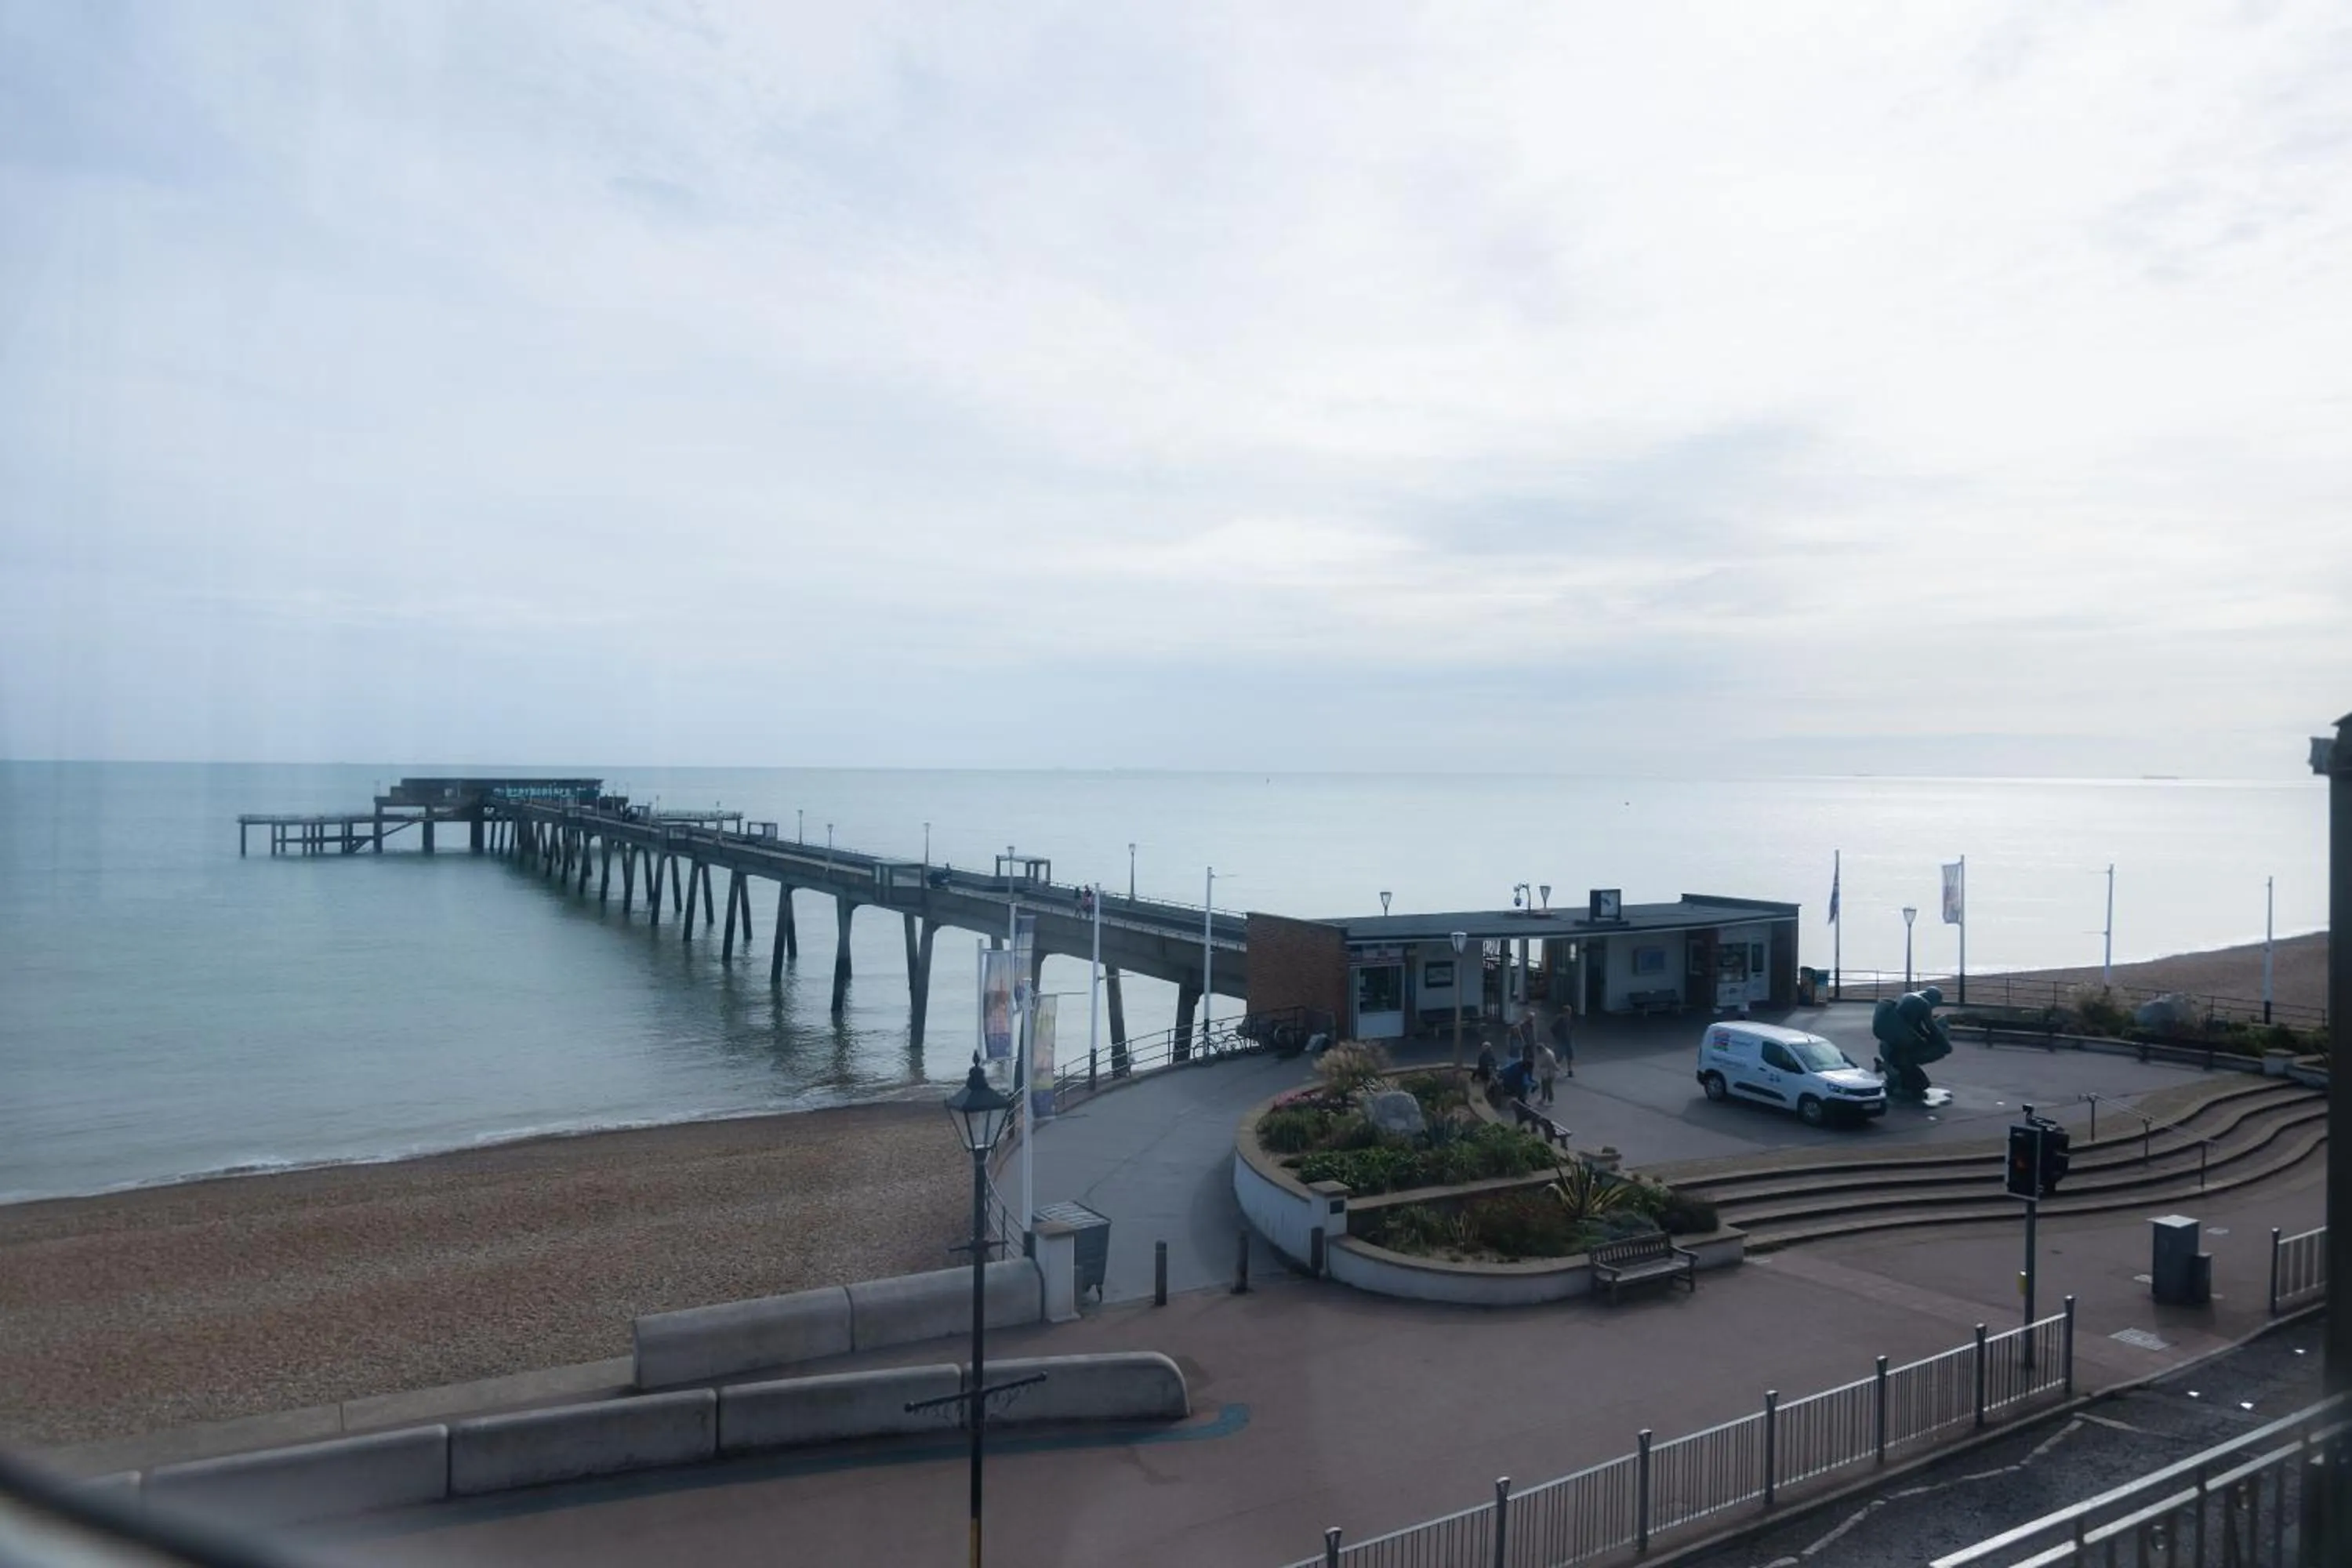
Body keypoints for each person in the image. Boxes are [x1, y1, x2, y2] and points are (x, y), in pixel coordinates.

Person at [1549, 1005, 1577, 1077]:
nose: (1570, 1013)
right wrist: (1557, 1037)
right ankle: (1554, 1070)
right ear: (1565, 1012)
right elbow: (1552, 1029)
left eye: (1570, 1011)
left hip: (1568, 1040)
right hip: (1561, 1041)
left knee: (1569, 1056)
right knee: (1558, 1057)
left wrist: (1570, 1035)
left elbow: (1572, 1028)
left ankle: (1570, 1070)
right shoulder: (1559, 1020)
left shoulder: (1569, 1019)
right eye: (1569, 1011)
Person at [1534, 1040, 1559, 1105]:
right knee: (1544, 1086)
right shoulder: (1542, 1053)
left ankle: (1550, 1100)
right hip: (1544, 1072)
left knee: (1548, 1087)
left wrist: (1556, 1069)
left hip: (1549, 1072)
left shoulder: (1548, 1054)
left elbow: (1552, 1063)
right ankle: (1543, 1099)